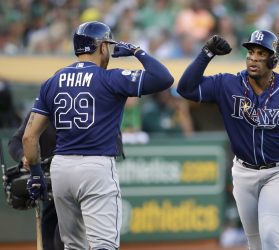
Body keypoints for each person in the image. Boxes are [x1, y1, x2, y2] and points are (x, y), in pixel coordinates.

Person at [176, 30, 279, 250]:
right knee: (255, 243)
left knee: (270, 235)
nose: (254, 58)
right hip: (244, 171)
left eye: (261, 53)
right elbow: (186, 89)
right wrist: (206, 53)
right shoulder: (227, 84)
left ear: (273, 60)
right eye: (251, 52)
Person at [22, 21, 173, 250]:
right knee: (103, 244)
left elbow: (28, 138)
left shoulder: (52, 82)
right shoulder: (110, 78)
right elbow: (164, 78)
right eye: (108, 47)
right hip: (95, 166)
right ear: (101, 46)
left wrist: (35, 174)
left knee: (73, 246)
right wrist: (136, 51)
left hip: (61, 168)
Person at [8, 111, 63, 250]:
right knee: (52, 221)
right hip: (48, 179)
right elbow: (15, 142)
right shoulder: (43, 110)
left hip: (74, 177)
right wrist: (24, 156)